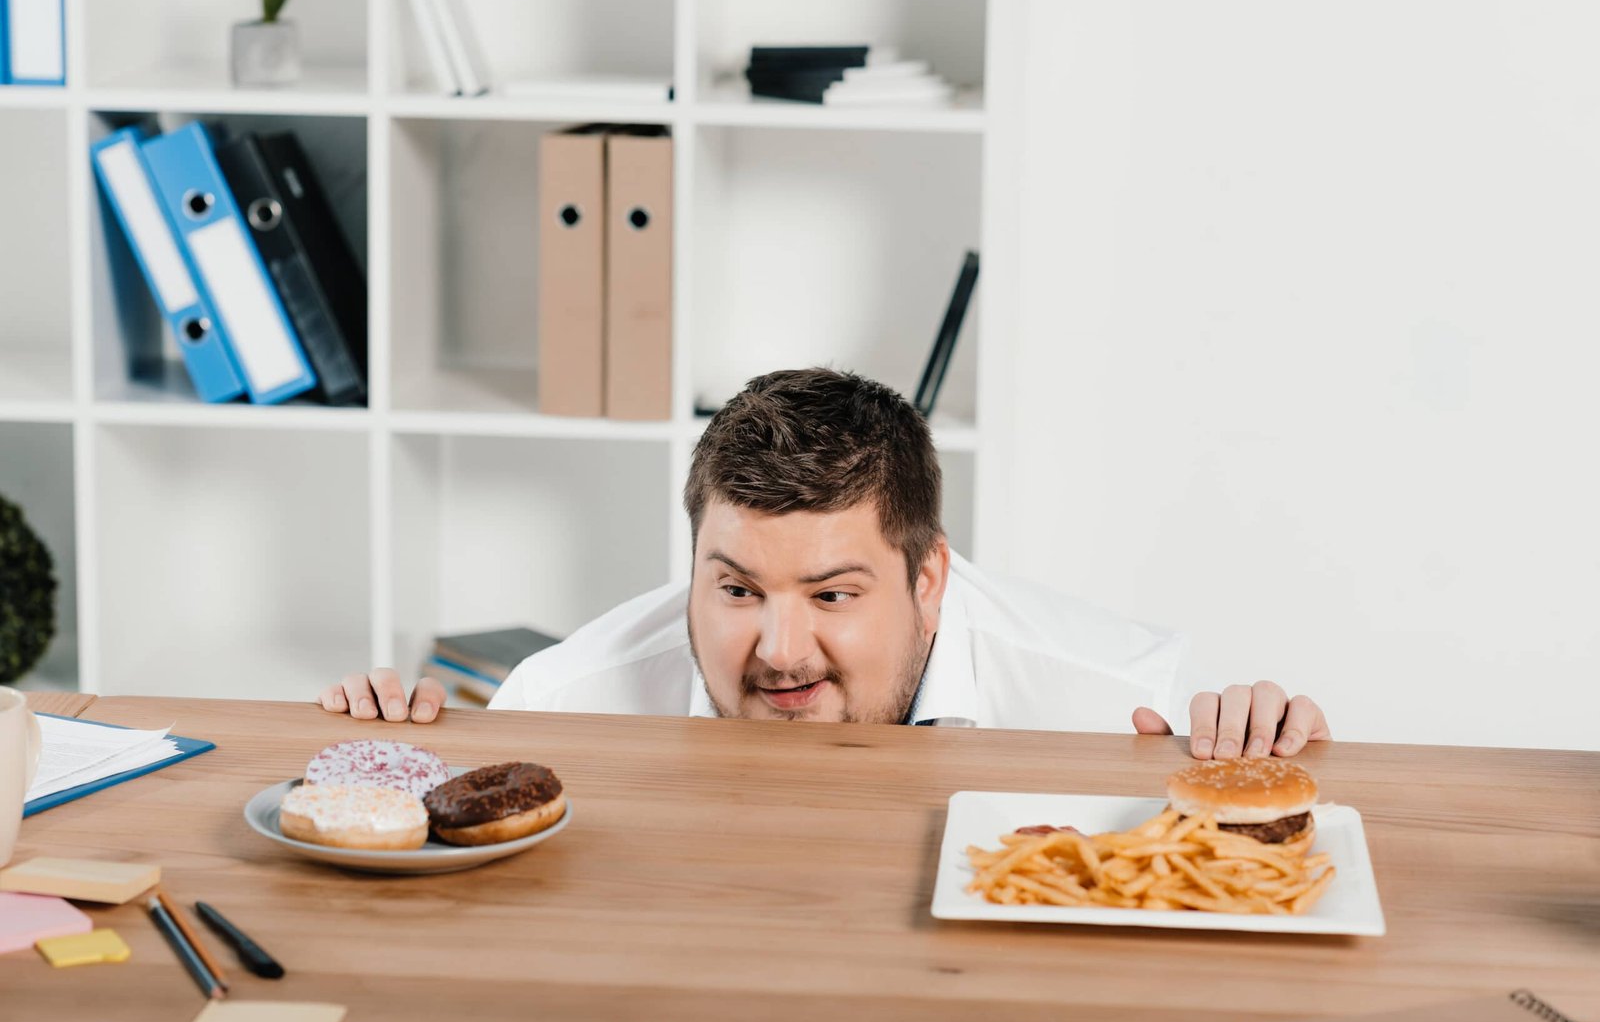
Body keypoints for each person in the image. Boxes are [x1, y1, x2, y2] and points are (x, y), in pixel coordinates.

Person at [317, 369, 1330, 759]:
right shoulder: (558, 704)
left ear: (928, 576)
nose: (778, 649)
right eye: (736, 589)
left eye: (833, 594)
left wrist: (1272, 755)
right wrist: (382, 756)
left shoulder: (1112, 706)